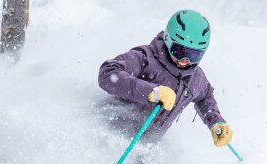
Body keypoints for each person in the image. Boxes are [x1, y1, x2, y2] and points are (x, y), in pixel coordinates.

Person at [98, 9, 233, 147]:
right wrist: (152, 92)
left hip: (145, 148)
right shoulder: (145, 58)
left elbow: (205, 97)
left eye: (194, 55)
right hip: (108, 135)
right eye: (180, 51)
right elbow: (108, 74)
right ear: (168, 39)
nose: (185, 60)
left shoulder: (195, 78)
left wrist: (215, 121)